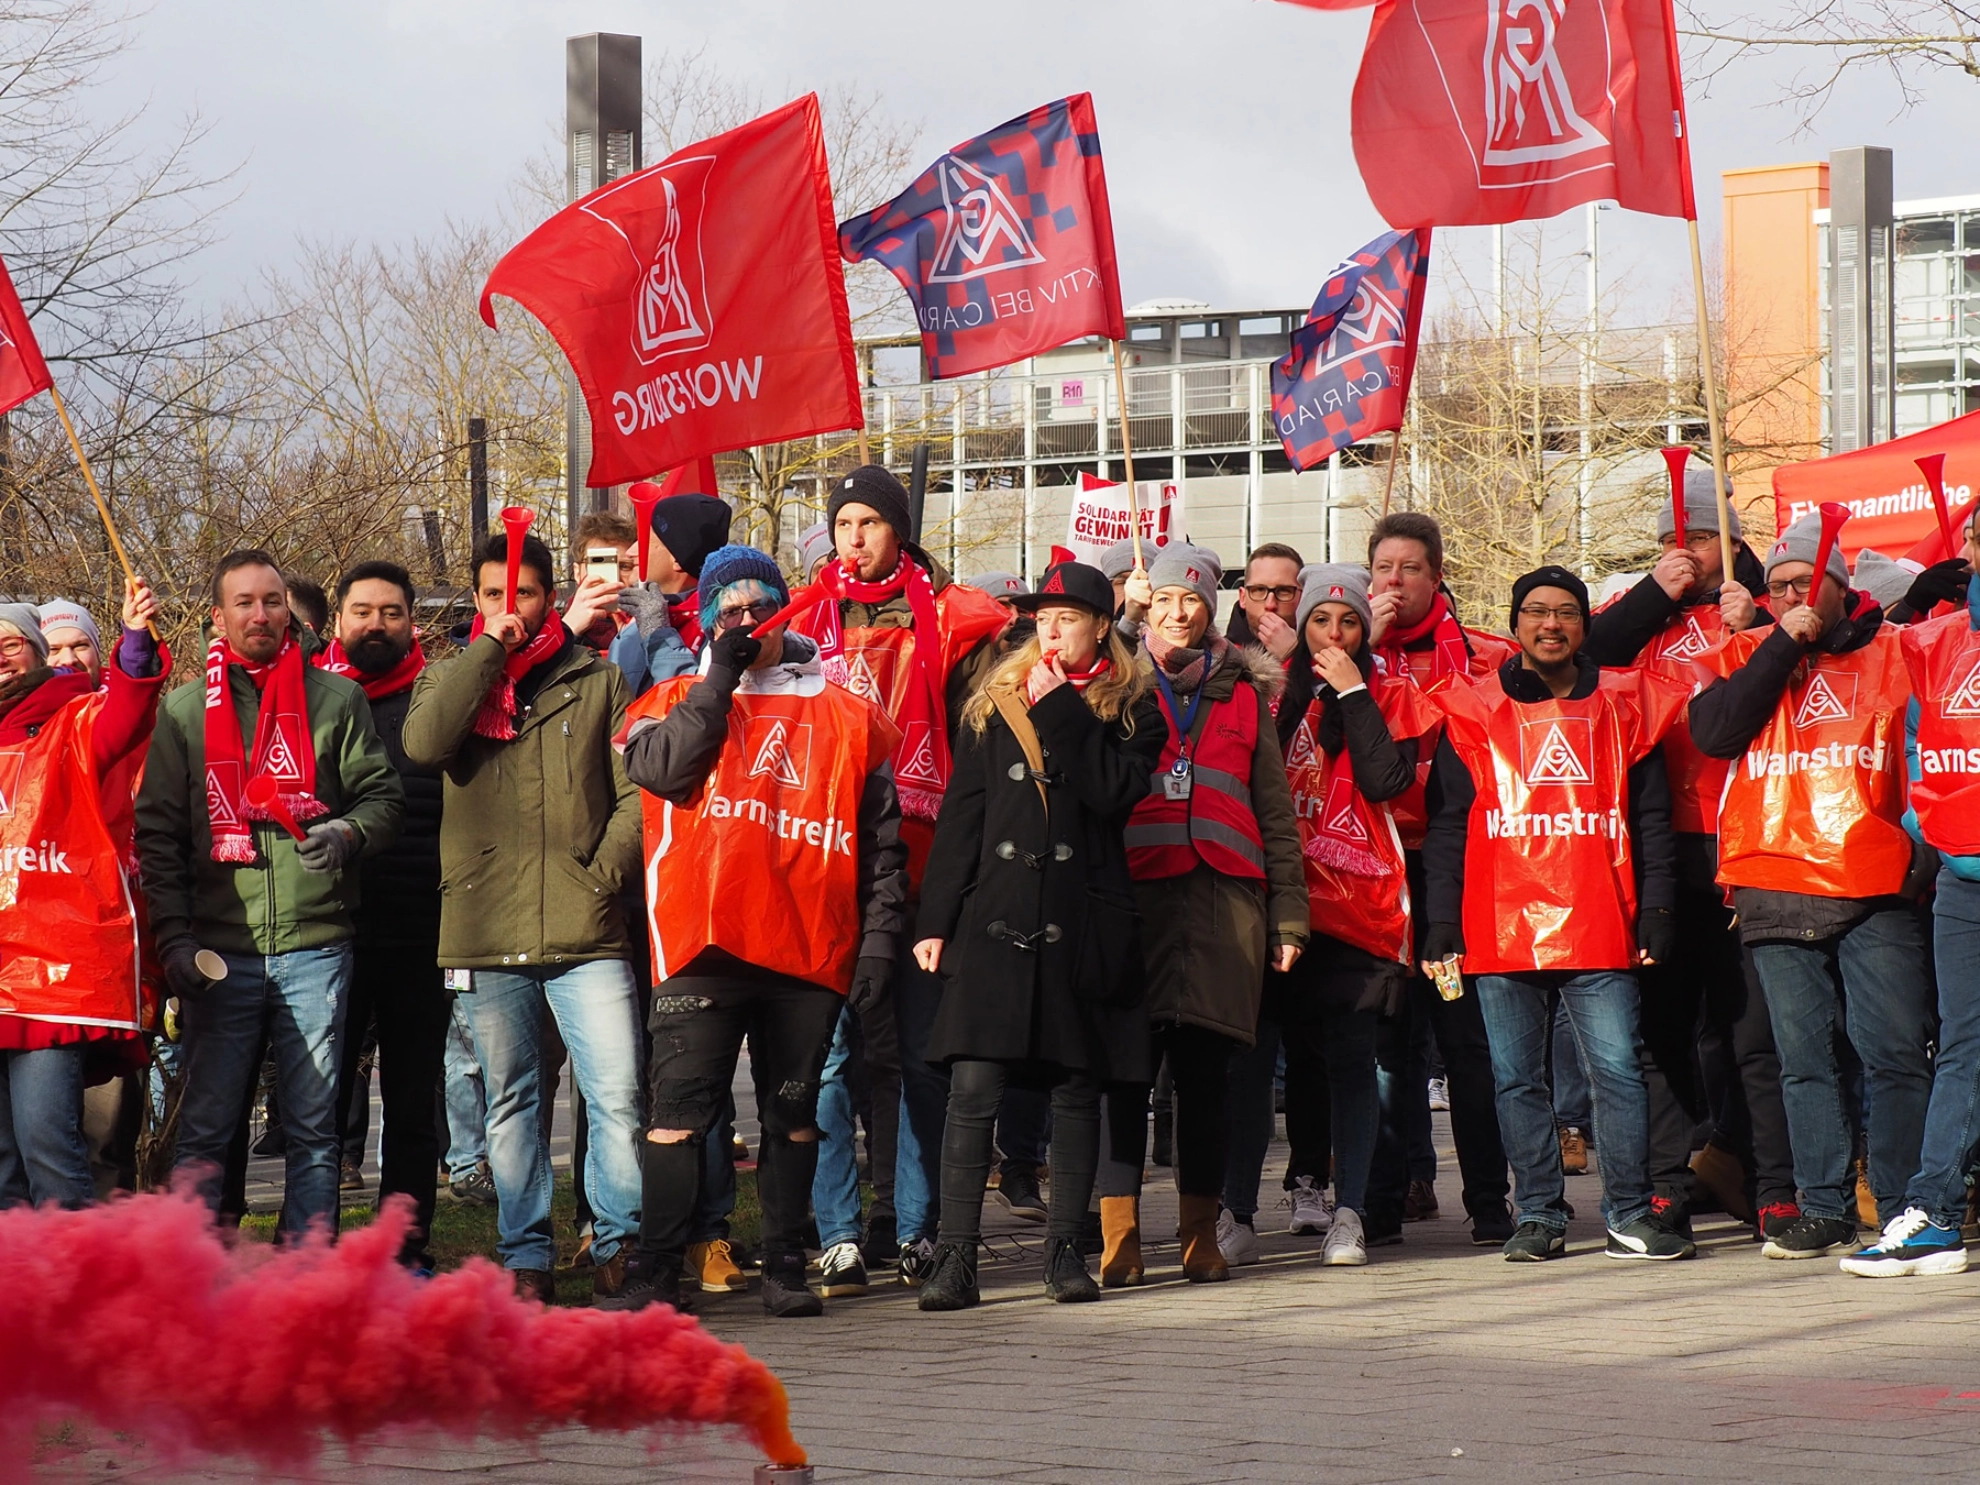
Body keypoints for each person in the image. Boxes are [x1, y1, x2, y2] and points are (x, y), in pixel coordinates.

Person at [614, 544, 909, 1315]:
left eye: (759, 606)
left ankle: (785, 1258)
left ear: (785, 608)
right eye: (729, 611)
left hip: (808, 948)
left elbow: (882, 843)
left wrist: (879, 941)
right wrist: (717, 678)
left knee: (793, 1114)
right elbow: (662, 771)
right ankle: (655, 1265)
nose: (747, 622)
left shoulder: (848, 712)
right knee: (678, 1116)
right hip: (702, 944)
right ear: (708, 619)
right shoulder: (675, 692)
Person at [401, 526, 644, 1303]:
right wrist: (489, 655)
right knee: (512, 1098)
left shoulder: (600, 679)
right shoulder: (449, 679)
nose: (512, 607)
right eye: (496, 594)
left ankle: (617, 1242)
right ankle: (526, 1254)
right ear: (476, 599)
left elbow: (637, 791)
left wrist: (600, 875)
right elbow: (426, 745)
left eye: (527, 594)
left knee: (616, 1090)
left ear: (552, 598)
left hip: (587, 927)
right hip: (487, 926)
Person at [911, 560, 1163, 1308]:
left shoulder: (1135, 706)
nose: (1050, 631)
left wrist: (1064, 712)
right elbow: (964, 813)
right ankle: (954, 1260)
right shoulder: (993, 698)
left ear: (1097, 627)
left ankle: (1063, 1254)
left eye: (1067, 619)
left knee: (1075, 1089)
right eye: (1041, 619)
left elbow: (1116, 794)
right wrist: (937, 918)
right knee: (972, 1086)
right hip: (996, 919)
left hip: (1083, 924)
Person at [1423, 565, 1692, 1262]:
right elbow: (1449, 823)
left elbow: (1652, 818)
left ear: (1584, 624)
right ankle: (1539, 1213)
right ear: (1514, 626)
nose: (1551, 624)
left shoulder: (1627, 705)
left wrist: (1657, 907)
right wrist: (1441, 924)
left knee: (1617, 1073)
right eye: (1536, 611)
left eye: (1566, 612)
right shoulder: (1473, 709)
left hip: (1601, 920)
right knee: (1516, 1078)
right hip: (1499, 923)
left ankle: (1629, 1212)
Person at [1688, 511, 1934, 1261]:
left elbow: (1934, 750)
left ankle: (1899, 1205)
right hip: (1773, 883)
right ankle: (1822, 1205)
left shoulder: (1899, 651)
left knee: (1892, 1051)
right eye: (1779, 586)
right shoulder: (1740, 654)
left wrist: (1918, 857)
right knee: (1803, 1061)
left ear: (1840, 588)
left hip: (1875, 883)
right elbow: (1717, 733)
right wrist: (1778, 644)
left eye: (1806, 583)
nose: (1792, 594)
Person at [137, 550, 403, 1238]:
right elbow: (158, 835)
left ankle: (307, 1284)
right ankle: (192, 1274)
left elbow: (382, 797)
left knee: (315, 1131)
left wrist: (346, 833)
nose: (262, 614)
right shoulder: (185, 712)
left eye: (274, 600)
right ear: (218, 617)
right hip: (218, 952)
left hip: (317, 947)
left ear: (291, 610)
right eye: (246, 602)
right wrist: (175, 940)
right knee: (205, 1127)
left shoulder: (336, 699)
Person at [792, 464, 1008, 1287]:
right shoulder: (806, 619)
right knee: (830, 1060)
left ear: (899, 530)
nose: (854, 535)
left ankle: (919, 1227)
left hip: (923, 875)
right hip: (822, 870)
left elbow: (989, 726)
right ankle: (840, 1233)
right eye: (843, 522)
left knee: (922, 1058)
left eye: (870, 522)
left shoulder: (952, 621)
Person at [1582, 472, 1795, 1240]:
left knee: (1748, 1032)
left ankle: (1771, 1181)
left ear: (1732, 542)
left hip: (1747, 838)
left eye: (1700, 537)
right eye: (1673, 540)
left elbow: (1813, 656)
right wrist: (1653, 592)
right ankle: (1667, 1183)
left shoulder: (1751, 605)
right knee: (1663, 1026)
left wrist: (1762, 616)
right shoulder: (1645, 616)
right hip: (1659, 846)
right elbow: (1583, 650)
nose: (1686, 553)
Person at [1099, 542, 1307, 1284]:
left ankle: (1198, 1232)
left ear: (1212, 605)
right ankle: (1118, 1235)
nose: (1179, 613)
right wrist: (1120, 622)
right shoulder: (1119, 680)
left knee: (1208, 1080)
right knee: (1123, 1075)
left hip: (1224, 907)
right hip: (1134, 901)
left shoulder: (1244, 691)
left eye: (1192, 599)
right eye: (1164, 601)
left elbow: (1276, 815)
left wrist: (1288, 915)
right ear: (1146, 605)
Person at [1261, 565, 1438, 1267]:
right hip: (1279, 901)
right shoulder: (1273, 690)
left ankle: (1352, 1210)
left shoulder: (1387, 692)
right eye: (1320, 622)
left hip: (1356, 909)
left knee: (1350, 1060)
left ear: (1367, 632)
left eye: (1349, 623)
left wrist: (1354, 694)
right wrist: (1294, 683)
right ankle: (1242, 1209)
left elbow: (1386, 782)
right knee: (1262, 1061)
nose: (1333, 636)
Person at [1363, 512, 1514, 1246]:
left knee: (1466, 1045)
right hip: (1378, 871)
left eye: (1410, 569)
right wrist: (1359, 644)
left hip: (1460, 873)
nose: (1395, 582)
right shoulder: (1347, 651)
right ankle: (1383, 1201)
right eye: (1384, 568)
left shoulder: (1486, 656)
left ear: (1438, 575)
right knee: (1390, 1044)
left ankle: (1490, 1199)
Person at [0, 583, 167, 1207]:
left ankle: (78, 1292)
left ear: (40, 653)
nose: (1, 657)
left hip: (52, 979)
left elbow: (124, 714)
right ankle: (19, 1296)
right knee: (0, 1165)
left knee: (48, 1144)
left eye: (13, 643)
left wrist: (131, 642)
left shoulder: (74, 719)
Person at [1846, 522, 1980, 1275]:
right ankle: (1934, 1212)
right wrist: (1922, 817)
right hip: (1963, 877)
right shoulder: (1934, 642)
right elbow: (1917, 741)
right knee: (1965, 1046)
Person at [316, 561, 450, 1270]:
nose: (376, 624)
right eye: (362, 611)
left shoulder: (438, 699)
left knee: (410, 1100)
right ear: (337, 622)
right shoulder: (308, 700)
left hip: (419, 922)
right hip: (327, 927)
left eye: (391, 612)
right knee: (321, 1101)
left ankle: (406, 1246)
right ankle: (315, 1247)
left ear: (412, 624)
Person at [611, 490, 731, 694]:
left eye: (645, 540)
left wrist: (658, 635)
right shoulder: (635, 623)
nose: (630, 552)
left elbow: (693, 709)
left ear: (677, 559)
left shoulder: (721, 626)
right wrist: (572, 631)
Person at [567, 511, 639, 654]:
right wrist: (569, 630)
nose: (615, 578)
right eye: (599, 564)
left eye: (625, 566)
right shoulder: (547, 630)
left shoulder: (652, 623)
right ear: (577, 572)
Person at [1223, 542, 1305, 663]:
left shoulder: (1326, 657)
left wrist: (1295, 656)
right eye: (1259, 590)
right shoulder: (1217, 662)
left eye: (1283, 591)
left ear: (1303, 596)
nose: (1270, 604)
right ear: (1243, 597)